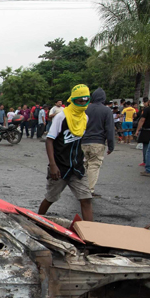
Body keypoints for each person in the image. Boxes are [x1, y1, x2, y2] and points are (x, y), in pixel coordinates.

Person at [38, 85, 94, 221]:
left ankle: (91, 233)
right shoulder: (61, 117)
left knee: (86, 199)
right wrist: (52, 165)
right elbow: (49, 140)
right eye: (79, 101)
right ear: (72, 100)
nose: (82, 104)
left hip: (77, 167)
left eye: (85, 100)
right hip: (60, 167)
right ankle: (37, 221)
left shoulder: (84, 118)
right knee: (51, 198)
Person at [81, 87, 114, 196]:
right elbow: (109, 129)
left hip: (83, 141)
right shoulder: (107, 110)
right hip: (98, 142)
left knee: (83, 164)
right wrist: (111, 145)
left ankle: (81, 187)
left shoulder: (85, 108)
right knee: (94, 166)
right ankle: (89, 189)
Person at [134, 96, 150, 167]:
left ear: (149, 101)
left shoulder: (147, 110)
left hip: (146, 129)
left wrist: (137, 130)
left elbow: (142, 120)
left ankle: (145, 161)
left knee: (146, 145)